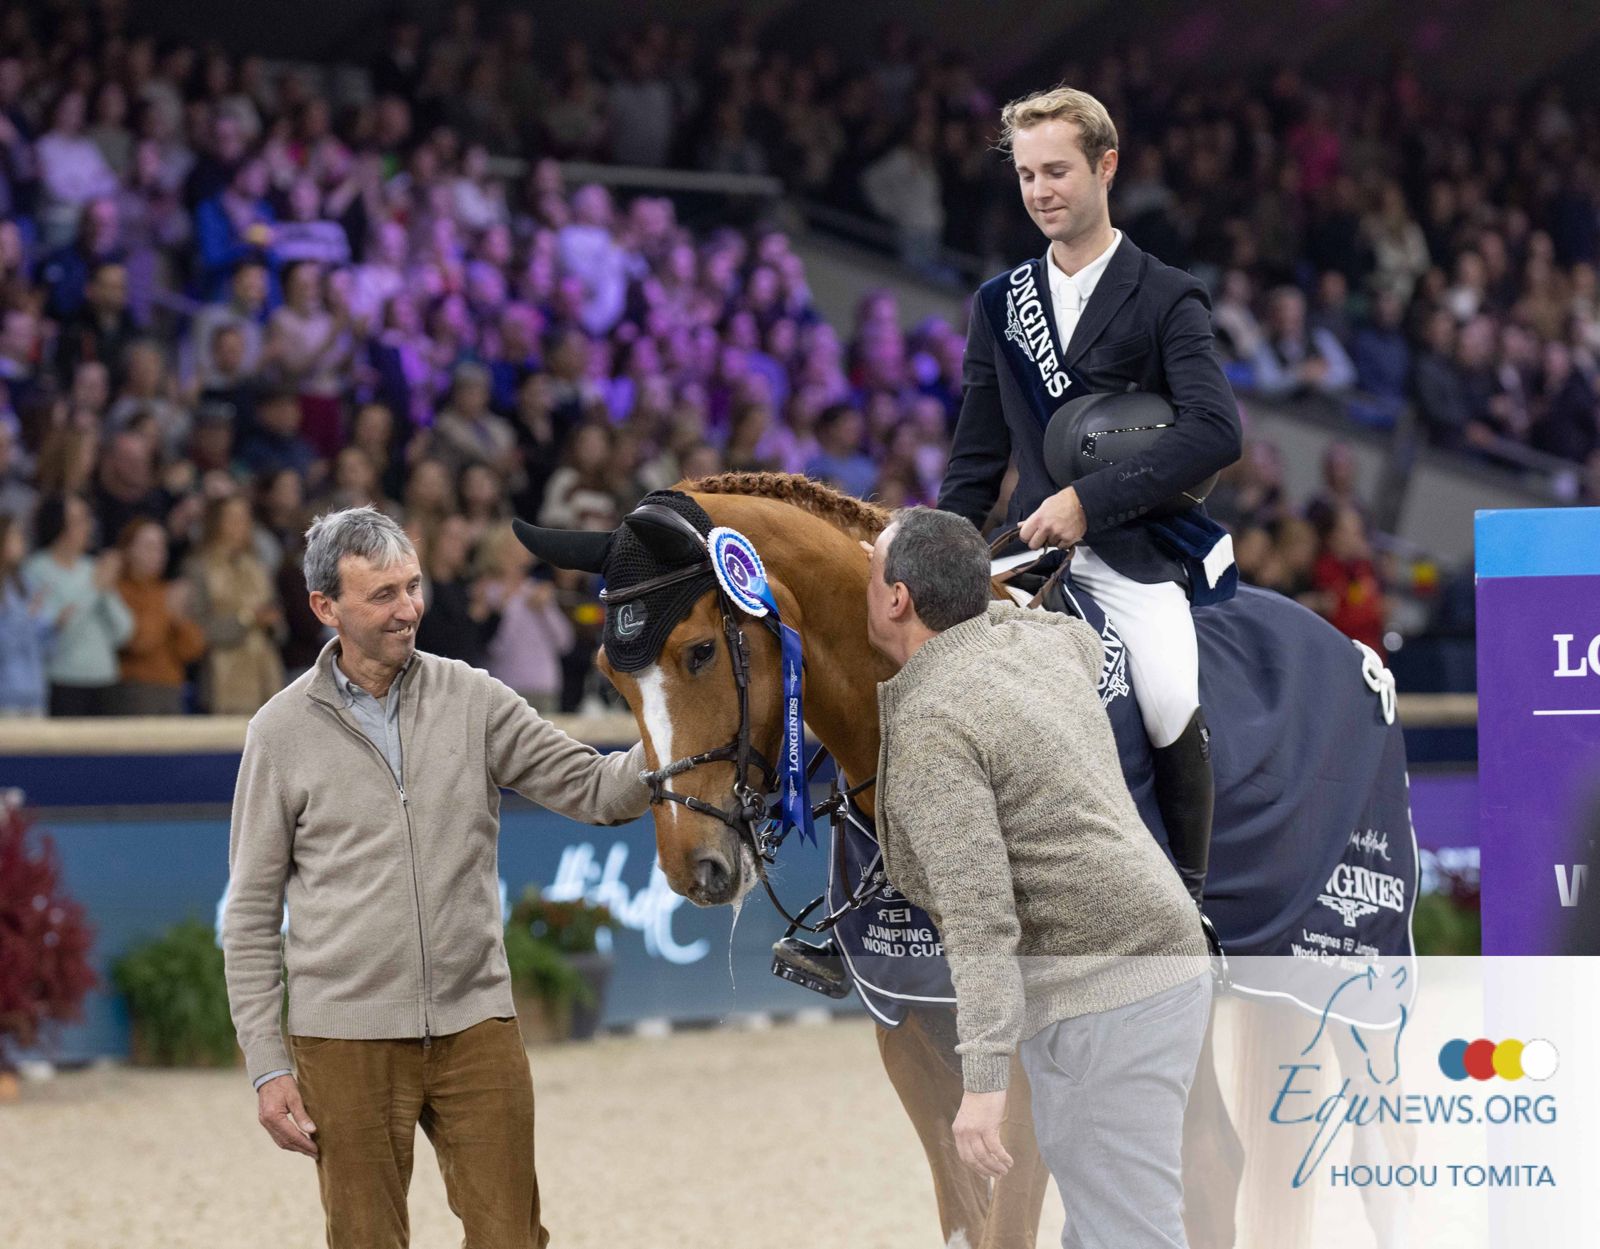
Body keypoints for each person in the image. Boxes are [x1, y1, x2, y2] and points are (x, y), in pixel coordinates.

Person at [222, 506, 650, 1249]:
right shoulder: (279, 732)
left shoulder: (473, 697)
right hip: (343, 1037)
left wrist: (678, 742)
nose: (408, 609)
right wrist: (266, 1065)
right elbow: (251, 913)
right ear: (325, 607)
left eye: (413, 586)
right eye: (382, 594)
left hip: (475, 1025)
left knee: (513, 1238)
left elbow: (596, 788)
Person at [864, 507, 1210, 1247]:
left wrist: (985, 1083)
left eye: (874, 570)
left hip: (1109, 990)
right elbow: (1064, 632)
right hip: (1150, 969)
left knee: (1129, 1233)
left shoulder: (932, 721)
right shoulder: (1045, 642)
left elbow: (980, 917)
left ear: (897, 598)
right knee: (1102, 1228)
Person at [938, 85, 1241, 903]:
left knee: (1170, 697)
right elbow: (976, 459)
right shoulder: (998, 304)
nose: (1040, 191)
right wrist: (934, 554)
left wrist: (1089, 502)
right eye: (1026, 175)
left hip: (1133, 555)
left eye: (1057, 171)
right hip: (1029, 555)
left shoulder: (1167, 294)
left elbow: (1217, 431)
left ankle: (1188, 904)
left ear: (1106, 166)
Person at [23, 493, 133, 715]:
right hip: (64, 679)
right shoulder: (37, 570)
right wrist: (94, 588)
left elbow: (124, 630)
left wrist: (105, 590)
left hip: (105, 678)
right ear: (59, 526)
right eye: (80, 520)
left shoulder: (92, 568)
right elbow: (56, 633)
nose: (88, 527)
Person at [187, 494, 285, 714]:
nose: (241, 525)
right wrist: (247, 618)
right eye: (233, 518)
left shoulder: (258, 567)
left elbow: (279, 628)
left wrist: (273, 622)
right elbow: (197, 628)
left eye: (245, 518)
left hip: (265, 675)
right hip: (222, 676)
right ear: (216, 523)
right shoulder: (199, 568)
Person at [113, 517, 206, 714]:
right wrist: (167, 608)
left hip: (172, 688)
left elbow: (193, 649)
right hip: (137, 689)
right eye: (149, 546)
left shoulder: (165, 591)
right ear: (128, 550)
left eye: (161, 547)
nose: (158, 554)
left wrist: (179, 619)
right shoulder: (120, 591)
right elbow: (139, 641)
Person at [0, 514, 53, 716]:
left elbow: (43, 647)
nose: (22, 540)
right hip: (5, 696)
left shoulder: (25, 583)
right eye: (15, 535)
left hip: (34, 693)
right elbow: (4, 647)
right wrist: (27, 615)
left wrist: (55, 626)